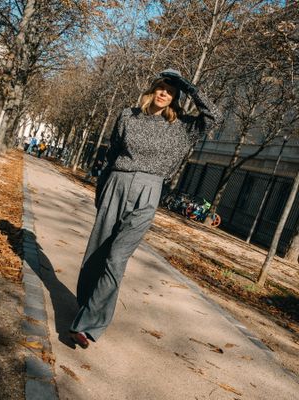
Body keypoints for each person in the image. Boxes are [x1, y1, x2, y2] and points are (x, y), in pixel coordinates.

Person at [69, 69, 222, 348]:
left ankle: (87, 324)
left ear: (177, 98)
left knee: (117, 258)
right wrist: (102, 189)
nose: (165, 93)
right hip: (116, 182)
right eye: (162, 87)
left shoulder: (184, 127)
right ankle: (86, 305)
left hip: (149, 191)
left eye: (172, 91)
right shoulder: (128, 115)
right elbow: (113, 152)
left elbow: (214, 117)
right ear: (152, 90)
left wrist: (189, 87)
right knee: (98, 251)